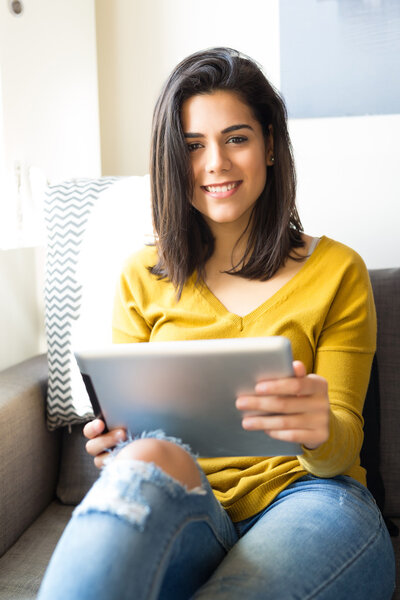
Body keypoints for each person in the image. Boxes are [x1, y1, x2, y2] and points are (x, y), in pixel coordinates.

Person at [38, 47, 395, 599]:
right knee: (148, 456)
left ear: (270, 145)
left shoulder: (336, 271)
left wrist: (320, 427)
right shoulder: (140, 276)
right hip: (186, 503)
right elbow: (135, 447)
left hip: (311, 497)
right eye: (192, 146)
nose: (216, 164)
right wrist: (120, 453)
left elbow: (343, 448)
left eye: (236, 138)